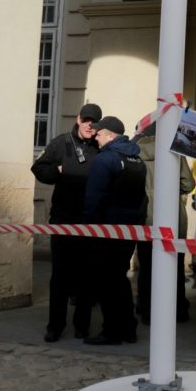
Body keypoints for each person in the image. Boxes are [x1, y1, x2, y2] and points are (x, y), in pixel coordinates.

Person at [31, 103, 102, 343]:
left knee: (87, 276)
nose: (89, 126)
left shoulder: (100, 146)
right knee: (60, 276)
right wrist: (59, 170)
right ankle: (55, 326)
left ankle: (82, 325)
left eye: (94, 123)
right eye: (86, 121)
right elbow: (39, 168)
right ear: (78, 119)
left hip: (90, 221)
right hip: (63, 220)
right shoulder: (61, 143)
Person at [81, 116, 147, 345]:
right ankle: (128, 328)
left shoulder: (104, 160)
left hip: (106, 230)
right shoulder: (136, 159)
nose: (96, 138)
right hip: (129, 230)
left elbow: (94, 198)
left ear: (110, 135)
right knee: (119, 278)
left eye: (99, 134)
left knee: (106, 281)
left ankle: (111, 331)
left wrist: (89, 228)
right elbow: (142, 198)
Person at [133, 123, 195, 324]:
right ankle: (178, 310)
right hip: (173, 217)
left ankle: (147, 310)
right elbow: (188, 184)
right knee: (174, 265)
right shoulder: (175, 149)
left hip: (145, 216)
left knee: (146, 266)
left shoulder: (135, 151)